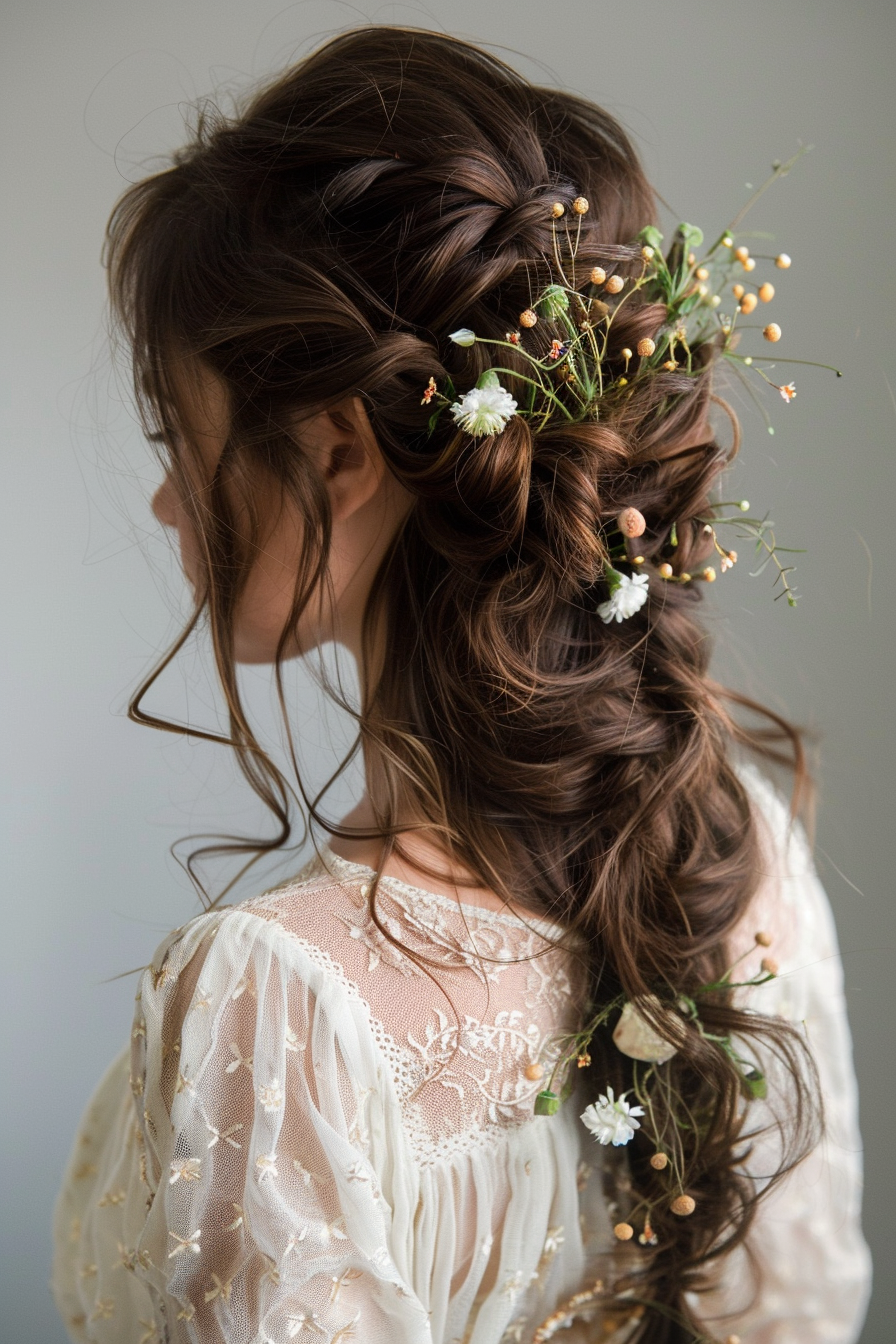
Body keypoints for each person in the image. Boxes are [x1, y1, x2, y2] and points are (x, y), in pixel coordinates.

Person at [51, 25, 871, 1344]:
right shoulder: (734, 855)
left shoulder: (281, 998)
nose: (163, 498)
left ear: (335, 454)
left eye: (178, 438)